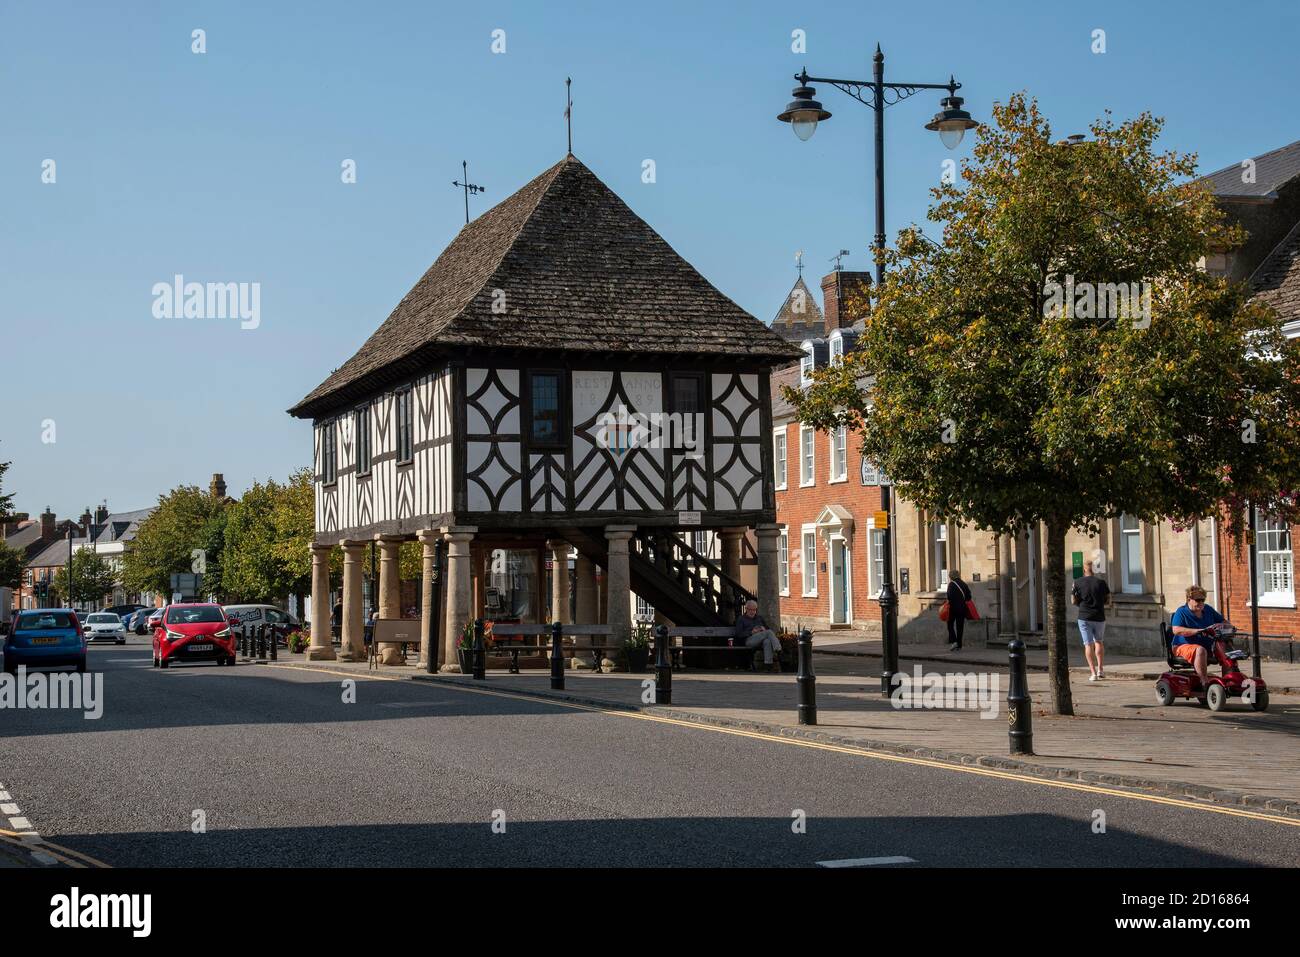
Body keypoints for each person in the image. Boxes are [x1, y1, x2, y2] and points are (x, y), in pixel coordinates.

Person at [1170, 585, 1225, 686]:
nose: (1201, 603)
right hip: (1182, 646)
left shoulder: (1208, 609)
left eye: (1203, 600)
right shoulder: (1181, 612)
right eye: (1197, 600)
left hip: (1208, 645)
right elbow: (1176, 630)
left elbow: (1225, 622)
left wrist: (1221, 625)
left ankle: (1229, 679)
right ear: (1189, 599)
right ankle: (1204, 682)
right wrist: (1197, 631)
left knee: (1226, 648)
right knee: (1200, 650)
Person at [1071, 560, 1111, 681]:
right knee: (1099, 642)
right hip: (1099, 616)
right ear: (1094, 569)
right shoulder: (1101, 583)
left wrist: (1080, 604)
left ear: (1084, 570)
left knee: (1088, 644)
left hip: (1084, 617)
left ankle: (1093, 673)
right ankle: (1101, 670)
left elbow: (1073, 600)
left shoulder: (1077, 582)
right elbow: (1109, 600)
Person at [734, 599, 783, 672]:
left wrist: (763, 628)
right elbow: (739, 634)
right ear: (746, 609)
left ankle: (768, 666)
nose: (752, 612)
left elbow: (767, 628)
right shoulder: (741, 619)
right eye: (750, 610)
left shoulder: (759, 618)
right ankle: (778, 649)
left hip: (761, 640)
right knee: (768, 632)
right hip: (749, 640)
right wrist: (751, 632)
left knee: (767, 641)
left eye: (754, 610)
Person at [945, 572, 972, 651]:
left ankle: (954, 641)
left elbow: (949, 596)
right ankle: (959, 645)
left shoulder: (951, 584)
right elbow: (969, 597)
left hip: (953, 609)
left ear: (951, 576)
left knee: (950, 624)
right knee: (960, 627)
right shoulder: (964, 584)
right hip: (962, 609)